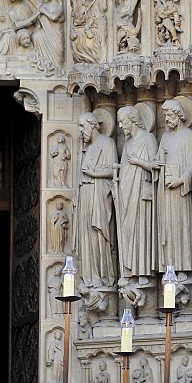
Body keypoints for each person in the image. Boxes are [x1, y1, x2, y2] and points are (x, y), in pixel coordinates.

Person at [73, 111, 117, 289]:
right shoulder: (86, 148)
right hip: (85, 194)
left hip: (99, 194)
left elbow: (114, 171)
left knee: (98, 233)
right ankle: (89, 276)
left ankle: (102, 275)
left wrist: (95, 174)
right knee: (87, 235)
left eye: (83, 127)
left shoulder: (107, 143)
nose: (81, 131)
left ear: (92, 125)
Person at [155, 98, 192, 274]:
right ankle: (169, 268)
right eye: (165, 115)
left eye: (170, 115)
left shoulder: (188, 135)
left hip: (180, 191)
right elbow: (158, 160)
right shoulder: (164, 136)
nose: (167, 119)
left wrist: (180, 180)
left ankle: (183, 269)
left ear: (179, 115)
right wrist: (155, 164)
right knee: (167, 230)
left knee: (181, 229)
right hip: (164, 192)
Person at [117, 105, 158, 281]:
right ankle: (129, 270)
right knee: (127, 231)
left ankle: (143, 271)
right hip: (126, 192)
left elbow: (156, 166)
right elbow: (124, 167)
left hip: (141, 192)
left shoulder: (148, 139)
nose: (120, 126)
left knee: (141, 230)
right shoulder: (127, 144)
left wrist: (138, 161)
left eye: (122, 121)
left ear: (132, 120)